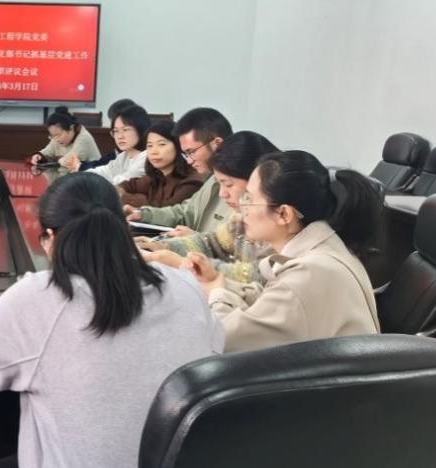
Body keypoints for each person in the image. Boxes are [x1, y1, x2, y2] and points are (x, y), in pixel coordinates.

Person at [0, 172, 223, 468]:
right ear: (123, 226)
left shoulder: (43, 297)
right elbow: (214, 347)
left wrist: (8, 305)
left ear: (50, 237)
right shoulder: (184, 286)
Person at [187, 150, 380, 352]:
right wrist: (217, 282)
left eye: (249, 199)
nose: (243, 209)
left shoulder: (309, 274)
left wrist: (217, 293)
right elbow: (269, 300)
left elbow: (222, 340)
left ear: (283, 214)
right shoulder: (323, 247)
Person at [140, 131, 278, 284]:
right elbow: (212, 242)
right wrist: (161, 246)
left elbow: (260, 277)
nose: (222, 194)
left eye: (228, 184)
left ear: (256, 180)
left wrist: (184, 264)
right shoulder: (241, 217)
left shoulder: (278, 221)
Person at [125, 107, 233, 235]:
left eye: (191, 152)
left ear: (217, 144)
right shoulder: (212, 179)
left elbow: (234, 244)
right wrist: (143, 215)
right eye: (186, 154)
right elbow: (184, 213)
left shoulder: (243, 186)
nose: (189, 161)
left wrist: (194, 238)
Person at [117, 120, 203, 209]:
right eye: (150, 146)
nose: (154, 151)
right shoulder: (157, 176)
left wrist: (129, 198)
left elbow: (164, 211)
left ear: (178, 146)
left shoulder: (192, 182)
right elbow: (126, 186)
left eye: (161, 144)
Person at [62, 103, 148, 182]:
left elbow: (122, 183)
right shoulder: (123, 156)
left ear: (140, 129)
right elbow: (105, 172)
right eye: (116, 131)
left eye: (125, 130)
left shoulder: (146, 159)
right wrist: (81, 173)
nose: (120, 136)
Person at [73, 98, 136, 171]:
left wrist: (80, 166)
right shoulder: (121, 152)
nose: (112, 129)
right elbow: (105, 164)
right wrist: (80, 165)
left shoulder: (140, 154)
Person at [29, 107, 101, 168]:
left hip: (92, 178)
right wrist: (38, 156)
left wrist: (51, 163)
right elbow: (48, 151)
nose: (56, 139)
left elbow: (69, 160)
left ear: (71, 128)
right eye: (52, 136)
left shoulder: (84, 138)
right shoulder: (56, 138)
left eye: (58, 135)